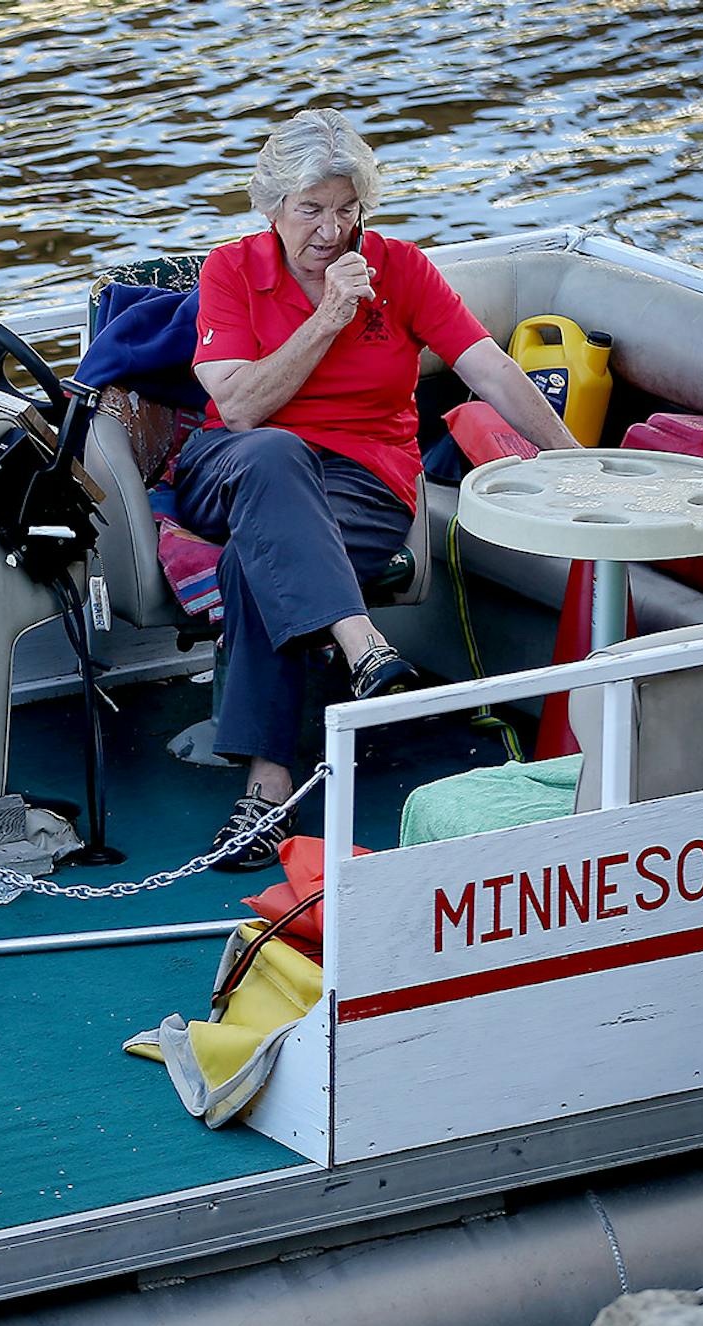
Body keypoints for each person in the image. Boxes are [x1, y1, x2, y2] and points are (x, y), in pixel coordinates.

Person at [174, 107, 580, 871]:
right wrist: (330, 315)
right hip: (233, 463)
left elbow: (485, 366)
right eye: (311, 210)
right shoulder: (230, 270)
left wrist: (569, 456)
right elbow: (239, 407)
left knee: (252, 563)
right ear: (271, 208)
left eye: (346, 209)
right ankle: (364, 646)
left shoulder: (399, 268)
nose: (331, 231)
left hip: (365, 480)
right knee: (273, 452)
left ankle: (266, 791)